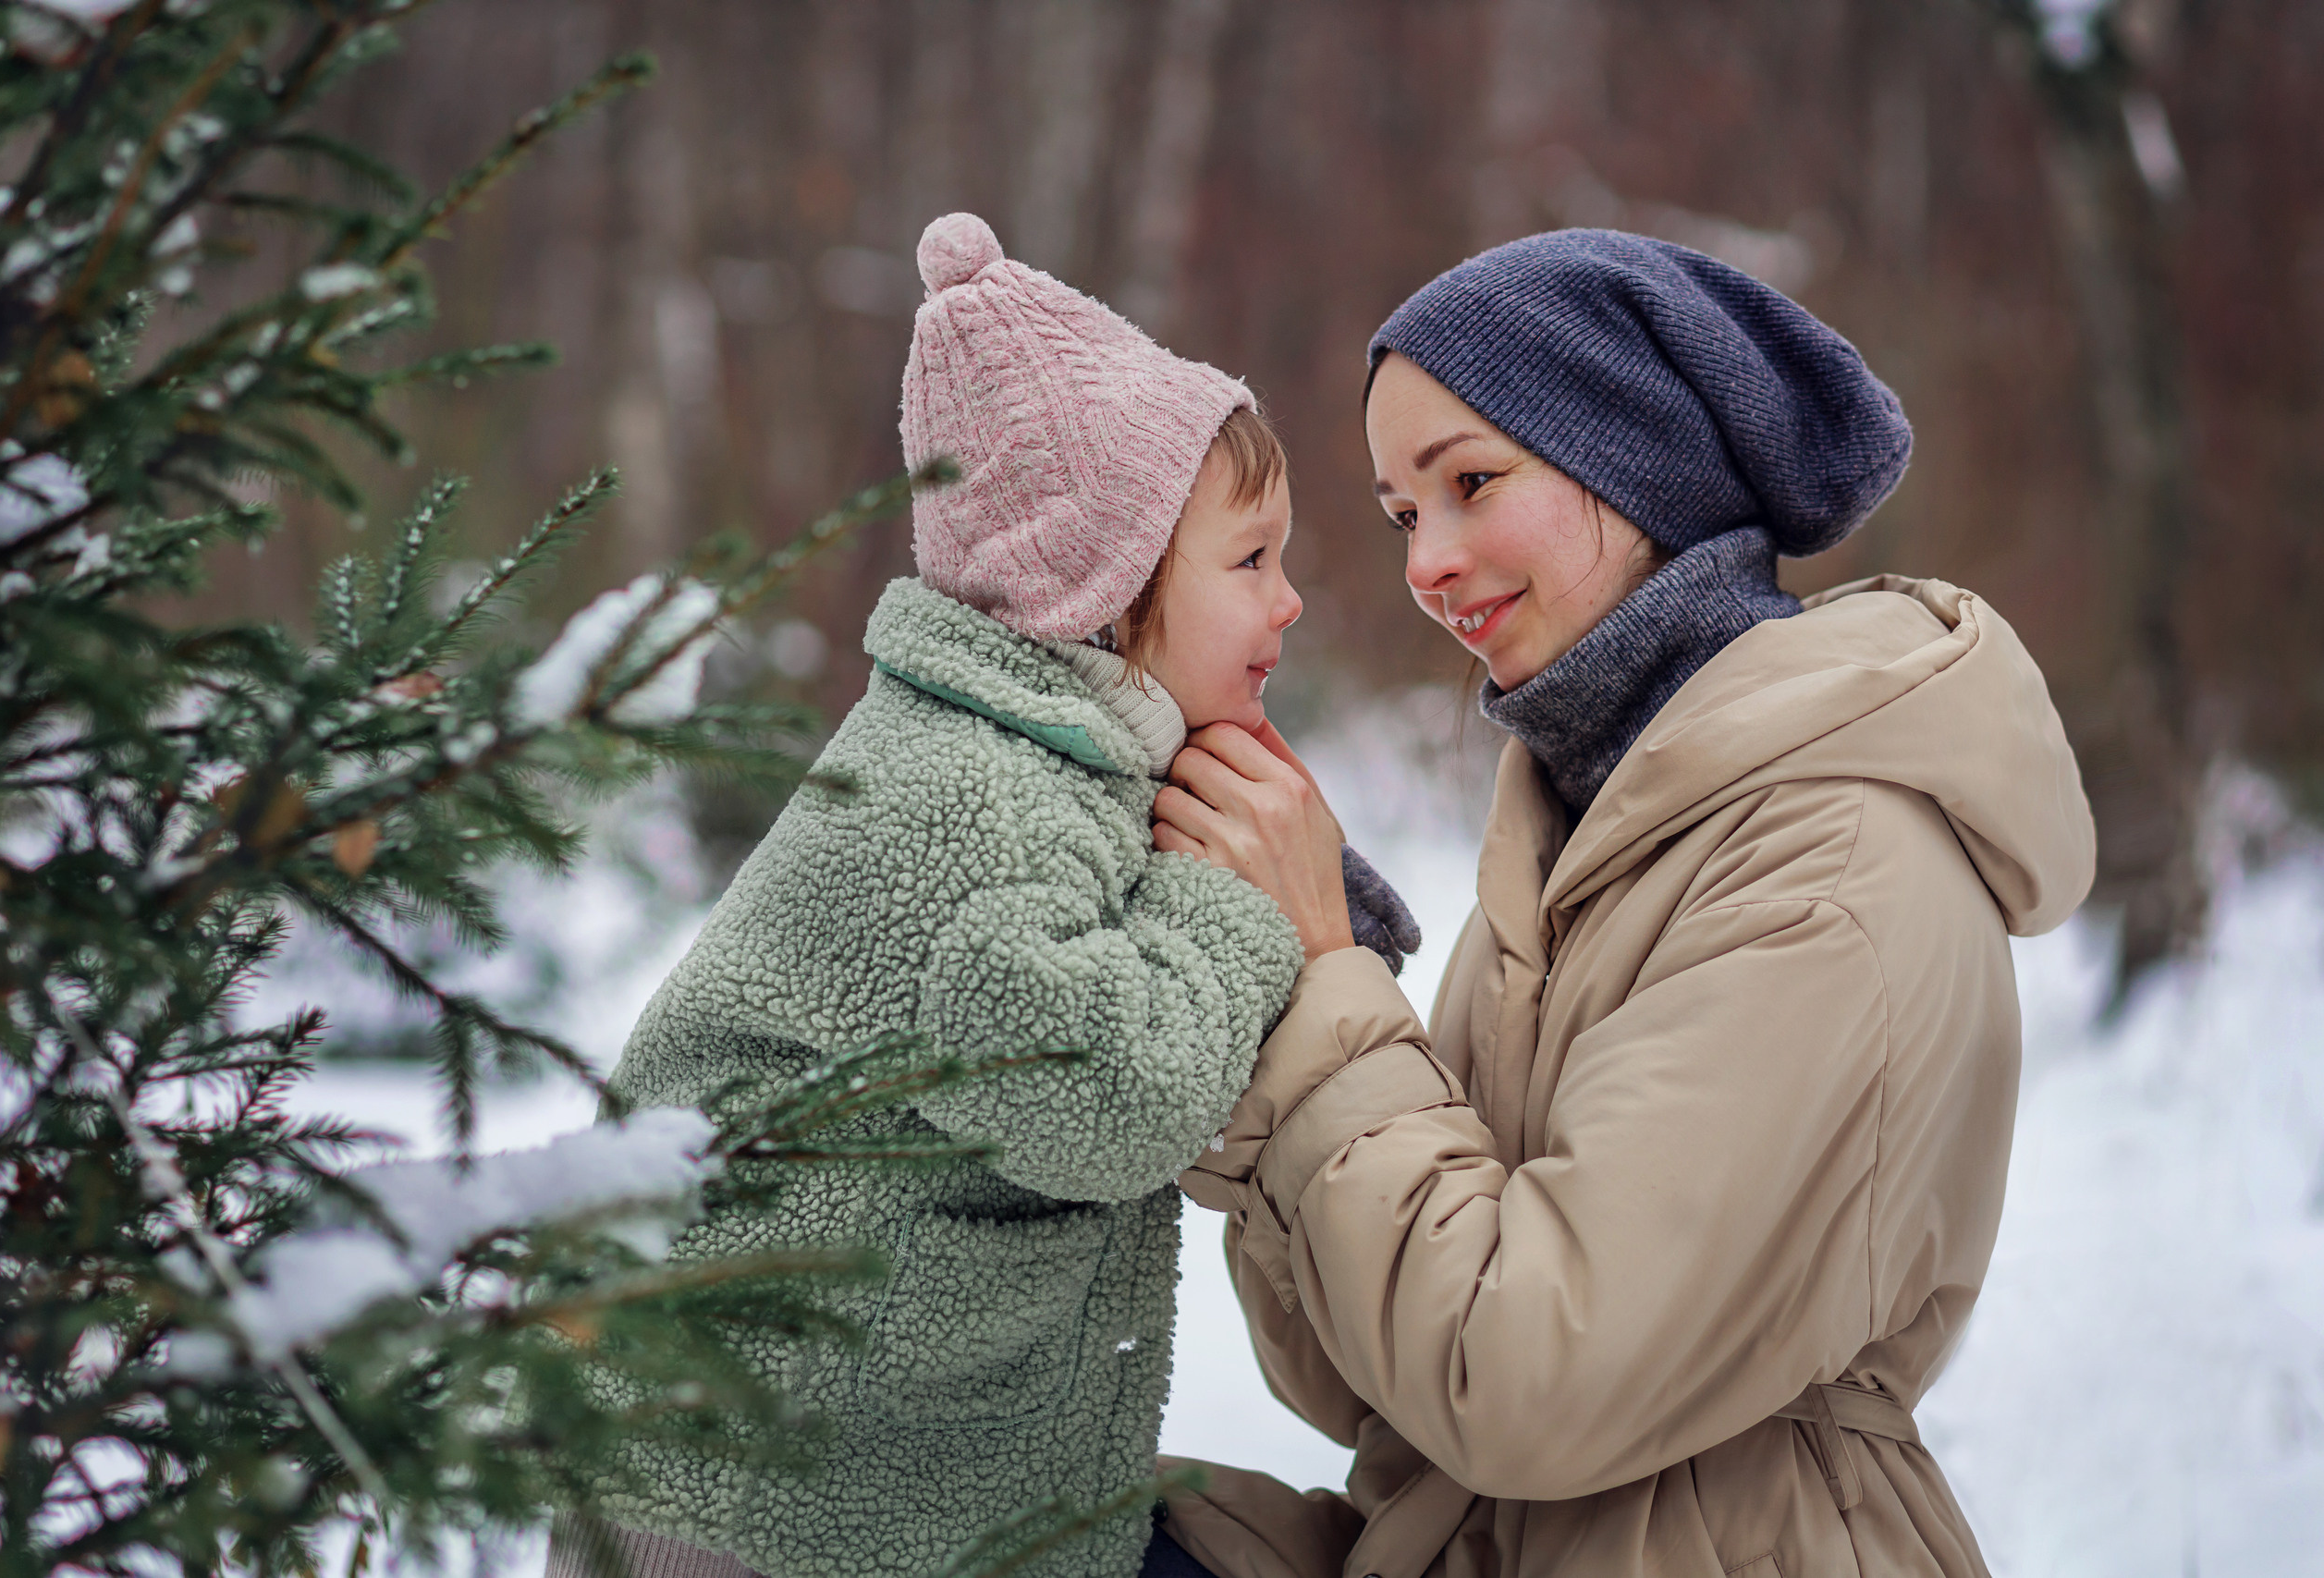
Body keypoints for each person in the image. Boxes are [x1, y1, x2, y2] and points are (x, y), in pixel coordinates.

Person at [1154, 230, 2098, 1578]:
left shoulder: (1827, 857)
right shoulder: (1576, 838)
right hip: (1479, 1539)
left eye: (1473, 482)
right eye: (1404, 515)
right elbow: (1369, 1390)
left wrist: (1325, 992)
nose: (1428, 562)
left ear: (1635, 454)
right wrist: (1278, 989)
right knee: (974, 1511)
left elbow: (1527, 1380)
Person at [546, 213, 1412, 1578]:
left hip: (857, 1473)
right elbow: (1103, 1097)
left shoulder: (1021, 757)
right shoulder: (972, 804)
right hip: (770, 1507)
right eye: (1251, 562)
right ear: (1104, 593)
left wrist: (1317, 902)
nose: (1292, 602)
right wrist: (1237, 911)